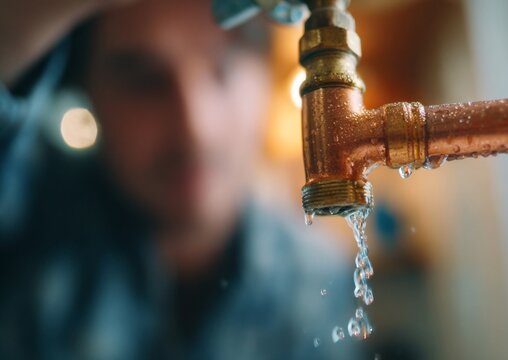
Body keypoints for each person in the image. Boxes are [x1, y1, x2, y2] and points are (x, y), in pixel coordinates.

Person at [0, 0, 360, 358]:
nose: (195, 127)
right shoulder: (30, 226)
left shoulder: (318, 278)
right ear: (88, 93)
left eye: (223, 68)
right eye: (143, 80)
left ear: (267, 75)